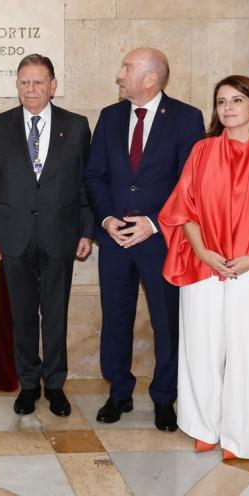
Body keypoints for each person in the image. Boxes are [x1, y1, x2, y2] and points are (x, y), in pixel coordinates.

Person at [159, 75, 249, 459]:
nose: (228, 108)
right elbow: (184, 208)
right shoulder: (202, 151)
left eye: (237, 100)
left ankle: (240, 437)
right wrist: (202, 251)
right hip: (205, 265)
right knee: (201, 347)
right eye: (221, 102)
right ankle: (204, 427)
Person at [84, 47, 204, 431]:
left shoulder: (186, 118)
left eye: (127, 68)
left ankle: (165, 399)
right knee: (116, 318)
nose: (119, 74)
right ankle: (118, 393)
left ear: (151, 78)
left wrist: (153, 223)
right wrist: (105, 220)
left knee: (166, 322)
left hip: (162, 241)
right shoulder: (109, 117)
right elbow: (94, 175)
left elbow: (190, 184)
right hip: (116, 240)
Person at [0, 54, 94, 417]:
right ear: (17, 85)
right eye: (24, 82)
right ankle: (28, 384)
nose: (31, 89)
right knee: (23, 314)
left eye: (38, 82)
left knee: (56, 314)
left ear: (53, 86)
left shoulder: (76, 126)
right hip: (14, 237)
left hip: (61, 235)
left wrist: (87, 231)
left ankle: (55, 385)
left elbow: (85, 185)